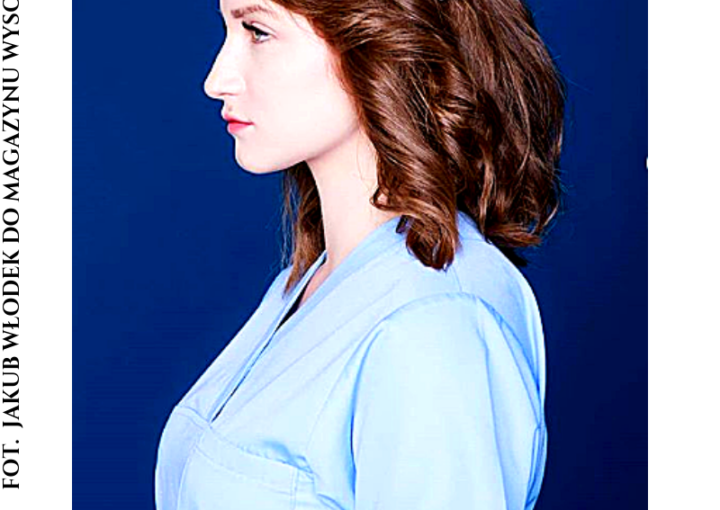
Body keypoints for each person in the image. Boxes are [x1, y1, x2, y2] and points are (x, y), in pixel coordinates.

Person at [154, 0, 565, 508]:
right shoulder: (308, 284)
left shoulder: (433, 322)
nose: (216, 80)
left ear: (379, 39)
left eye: (257, 31)